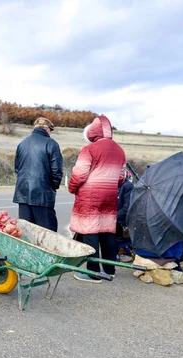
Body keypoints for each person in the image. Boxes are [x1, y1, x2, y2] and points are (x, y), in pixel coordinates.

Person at [68, 115, 126, 283]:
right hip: (109, 196)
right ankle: (109, 270)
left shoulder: (90, 150)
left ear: (93, 132)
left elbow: (79, 175)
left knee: (90, 232)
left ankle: (93, 272)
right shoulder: (120, 150)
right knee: (107, 231)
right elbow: (121, 178)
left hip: (90, 197)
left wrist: (72, 188)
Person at [13, 117, 63, 232]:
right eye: (50, 130)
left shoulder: (22, 143)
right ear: (46, 129)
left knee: (27, 232)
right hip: (42, 194)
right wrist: (53, 186)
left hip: (23, 193)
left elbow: (17, 168)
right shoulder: (51, 143)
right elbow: (57, 170)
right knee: (47, 233)